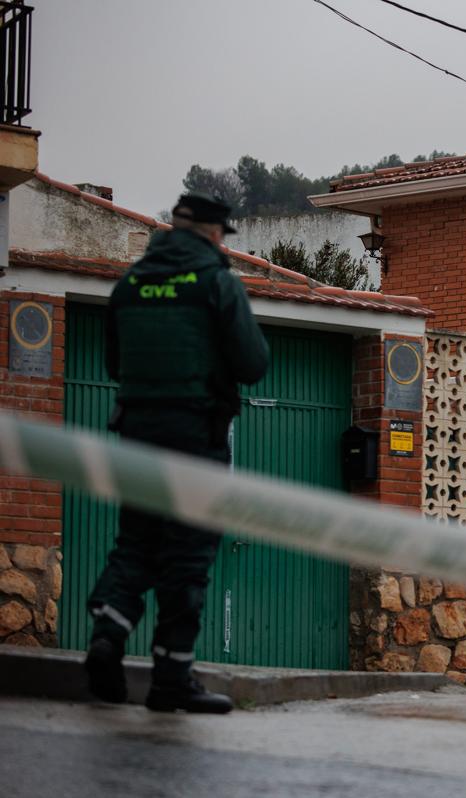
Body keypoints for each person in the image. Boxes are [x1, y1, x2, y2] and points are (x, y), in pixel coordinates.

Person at [84, 192, 270, 714]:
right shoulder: (216, 283)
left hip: (136, 436)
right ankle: (170, 678)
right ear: (214, 234)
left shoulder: (131, 284)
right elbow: (254, 363)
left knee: (136, 544)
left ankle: (107, 636)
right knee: (186, 558)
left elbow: (114, 365)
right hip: (196, 441)